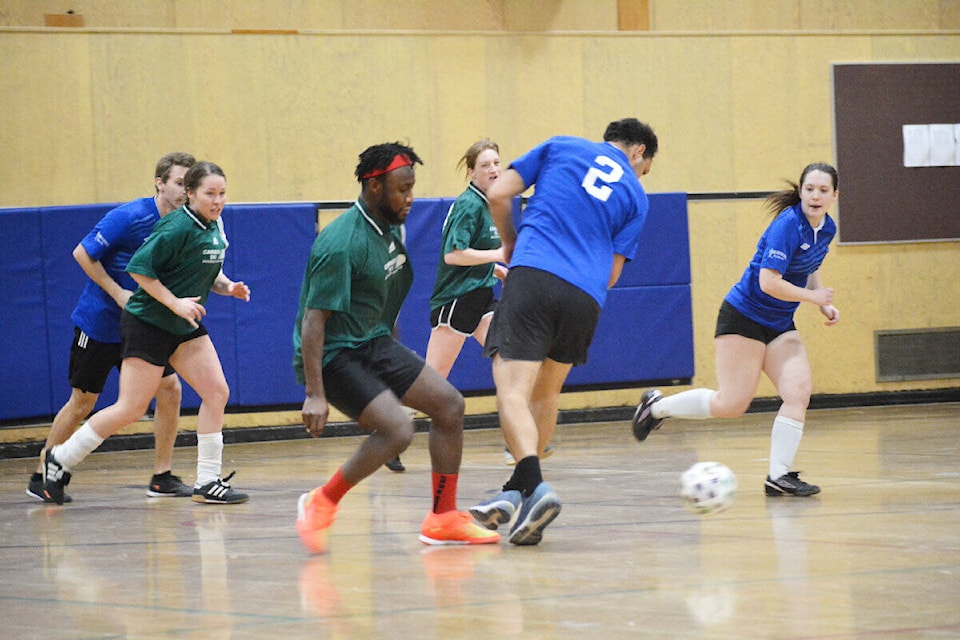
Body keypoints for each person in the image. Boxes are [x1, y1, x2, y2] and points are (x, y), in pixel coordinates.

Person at [292, 142, 500, 554]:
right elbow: (314, 322)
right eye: (401, 190)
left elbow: (385, 300)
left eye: (412, 188)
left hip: (373, 342)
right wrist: (315, 394)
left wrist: (395, 359)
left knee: (449, 405)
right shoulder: (340, 243)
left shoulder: (389, 229)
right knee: (397, 430)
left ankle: (442, 518)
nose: (410, 198)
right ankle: (321, 501)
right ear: (373, 189)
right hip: (334, 354)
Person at [469, 118, 659, 545]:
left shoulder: (562, 146)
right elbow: (611, 275)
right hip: (586, 298)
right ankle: (515, 496)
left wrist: (511, 244)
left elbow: (498, 193)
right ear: (637, 153)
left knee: (513, 392)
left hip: (535, 273)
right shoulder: (637, 197)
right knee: (546, 394)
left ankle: (534, 486)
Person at [40, 161, 251, 505]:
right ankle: (60, 458)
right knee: (130, 409)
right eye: (210, 193)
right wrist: (175, 303)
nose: (217, 200)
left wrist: (229, 287)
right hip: (148, 323)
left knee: (216, 392)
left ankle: (208, 480)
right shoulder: (174, 227)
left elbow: (208, 269)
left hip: (182, 324)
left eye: (222, 193)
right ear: (191, 194)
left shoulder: (215, 225)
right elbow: (138, 270)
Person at [632, 162, 839, 498]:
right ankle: (656, 407)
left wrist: (822, 303)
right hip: (744, 317)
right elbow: (768, 282)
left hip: (779, 323)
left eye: (823, 190)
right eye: (810, 189)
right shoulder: (787, 226)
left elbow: (810, 265)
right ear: (801, 192)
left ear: (834, 195)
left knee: (798, 392)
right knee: (731, 404)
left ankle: (779, 476)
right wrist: (812, 296)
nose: (816, 196)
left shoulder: (826, 228)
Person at [27, 152, 196, 503]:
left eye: (189, 184)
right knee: (83, 401)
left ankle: (161, 476)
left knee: (170, 390)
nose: (185, 191)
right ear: (160, 182)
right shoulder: (130, 217)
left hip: (144, 326)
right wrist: (118, 292)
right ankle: (44, 473)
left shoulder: (185, 223)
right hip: (101, 323)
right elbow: (82, 253)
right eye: (180, 183)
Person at [424, 139, 543, 467]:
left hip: (482, 297)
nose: (493, 170)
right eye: (486, 165)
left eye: (496, 163)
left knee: (510, 361)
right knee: (431, 380)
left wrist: (496, 270)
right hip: (456, 301)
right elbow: (453, 255)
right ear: (472, 171)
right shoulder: (468, 204)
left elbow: (479, 253)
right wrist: (498, 255)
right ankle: (389, 428)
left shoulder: (494, 204)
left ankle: (515, 442)